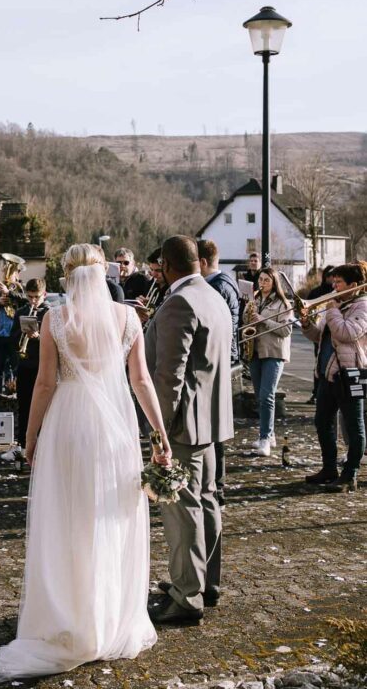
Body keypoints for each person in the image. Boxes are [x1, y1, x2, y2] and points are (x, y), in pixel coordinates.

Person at [0, 243, 171, 682]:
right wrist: (159, 436)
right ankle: (108, 619)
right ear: (104, 275)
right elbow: (141, 380)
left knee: (69, 520)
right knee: (110, 518)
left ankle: (72, 617)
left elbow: (44, 384)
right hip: (114, 427)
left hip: (68, 424)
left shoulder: (55, 319)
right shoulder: (129, 318)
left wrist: (30, 436)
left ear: (67, 277)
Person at [145, 236, 233, 625]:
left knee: (183, 510)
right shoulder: (213, 295)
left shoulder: (179, 302)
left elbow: (170, 377)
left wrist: (159, 432)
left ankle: (186, 596)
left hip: (182, 426)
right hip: (212, 420)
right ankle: (205, 582)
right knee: (207, 500)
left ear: (166, 265)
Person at [303, 263, 367, 492]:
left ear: (353, 285)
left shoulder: (363, 306)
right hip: (327, 374)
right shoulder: (337, 305)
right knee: (322, 421)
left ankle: (350, 475)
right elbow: (319, 335)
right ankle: (329, 468)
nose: (334, 286)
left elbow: (347, 333)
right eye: (334, 281)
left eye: (339, 282)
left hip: (350, 374)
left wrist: (331, 310)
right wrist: (306, 324)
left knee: (354, 426)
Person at [197, 239, 241, 506]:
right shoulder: (221, 283)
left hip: (219, 360)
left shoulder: (218, 286)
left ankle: (217, 486)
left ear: (202, 262)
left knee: (215, 427)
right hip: (221, 358)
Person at [242, 267, 292, 457]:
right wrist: (248, 311)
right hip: (255, 351)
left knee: (266, 396)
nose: (262, 283)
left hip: (274, 353)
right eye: (261, 280)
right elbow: (246, 322)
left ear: (274, 283)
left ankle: (265, 439)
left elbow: (286, 330)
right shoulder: (255, 299)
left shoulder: (283, 303)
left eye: (266, 280)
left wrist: (263, 319)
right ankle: (269, 434)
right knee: (260, 397)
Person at [1, 278, 50, 463]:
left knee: (45, 408)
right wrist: (21, 333)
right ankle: (22, 446)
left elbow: (56, 342)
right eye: (29, 297)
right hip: (25, 365)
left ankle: (43, 447)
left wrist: (39, 336)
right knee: (24, 406)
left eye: (36, 297)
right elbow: (11, 339)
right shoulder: (22, 312)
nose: (33, 301)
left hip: (43, 366)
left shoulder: (50, 313)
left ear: (44, 294)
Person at [0, 258, 27, 402]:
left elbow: (26, 301)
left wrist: (9, 293)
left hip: (14, 335)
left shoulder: (21, 288)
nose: (7, 274)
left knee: (16, 369)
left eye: (11, 271)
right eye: (5, 271)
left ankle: (16, 397)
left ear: (17, 274)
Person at [306, 265, 335, 401]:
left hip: (333, 333)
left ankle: (325, 394)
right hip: (320, 331)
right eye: (330, 276)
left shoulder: (338, 293)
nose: (332, 279)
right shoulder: (316, 292)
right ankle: (316, 393)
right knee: (319, 363)